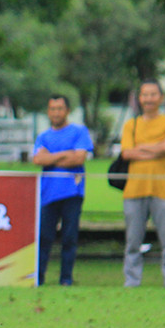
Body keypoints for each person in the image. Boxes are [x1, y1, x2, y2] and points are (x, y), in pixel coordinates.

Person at [120, 80, 165, 288]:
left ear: (161, 97)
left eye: (153, 94)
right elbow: (127, 153)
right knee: (133, 241)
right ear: (140, 98)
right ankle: (131, 281)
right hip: (134, 190)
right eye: (145, 95)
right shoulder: (131, 124)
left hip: (163, 190)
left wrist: (142, 148)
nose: (149, 99)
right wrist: (156, 148)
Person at [32, 95, 94, 286]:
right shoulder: (43, 136)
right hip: (48, 195)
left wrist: (51, 158)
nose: (56, 113)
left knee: (69, 237)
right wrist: (66, 153)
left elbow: (78, 159)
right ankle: (39, 278)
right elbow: (38, 160)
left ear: (67, 111)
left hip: (72, 193)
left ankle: (65, 278)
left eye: (60, 108)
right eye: (52, 109)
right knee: (44, 238)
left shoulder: (79, 131)